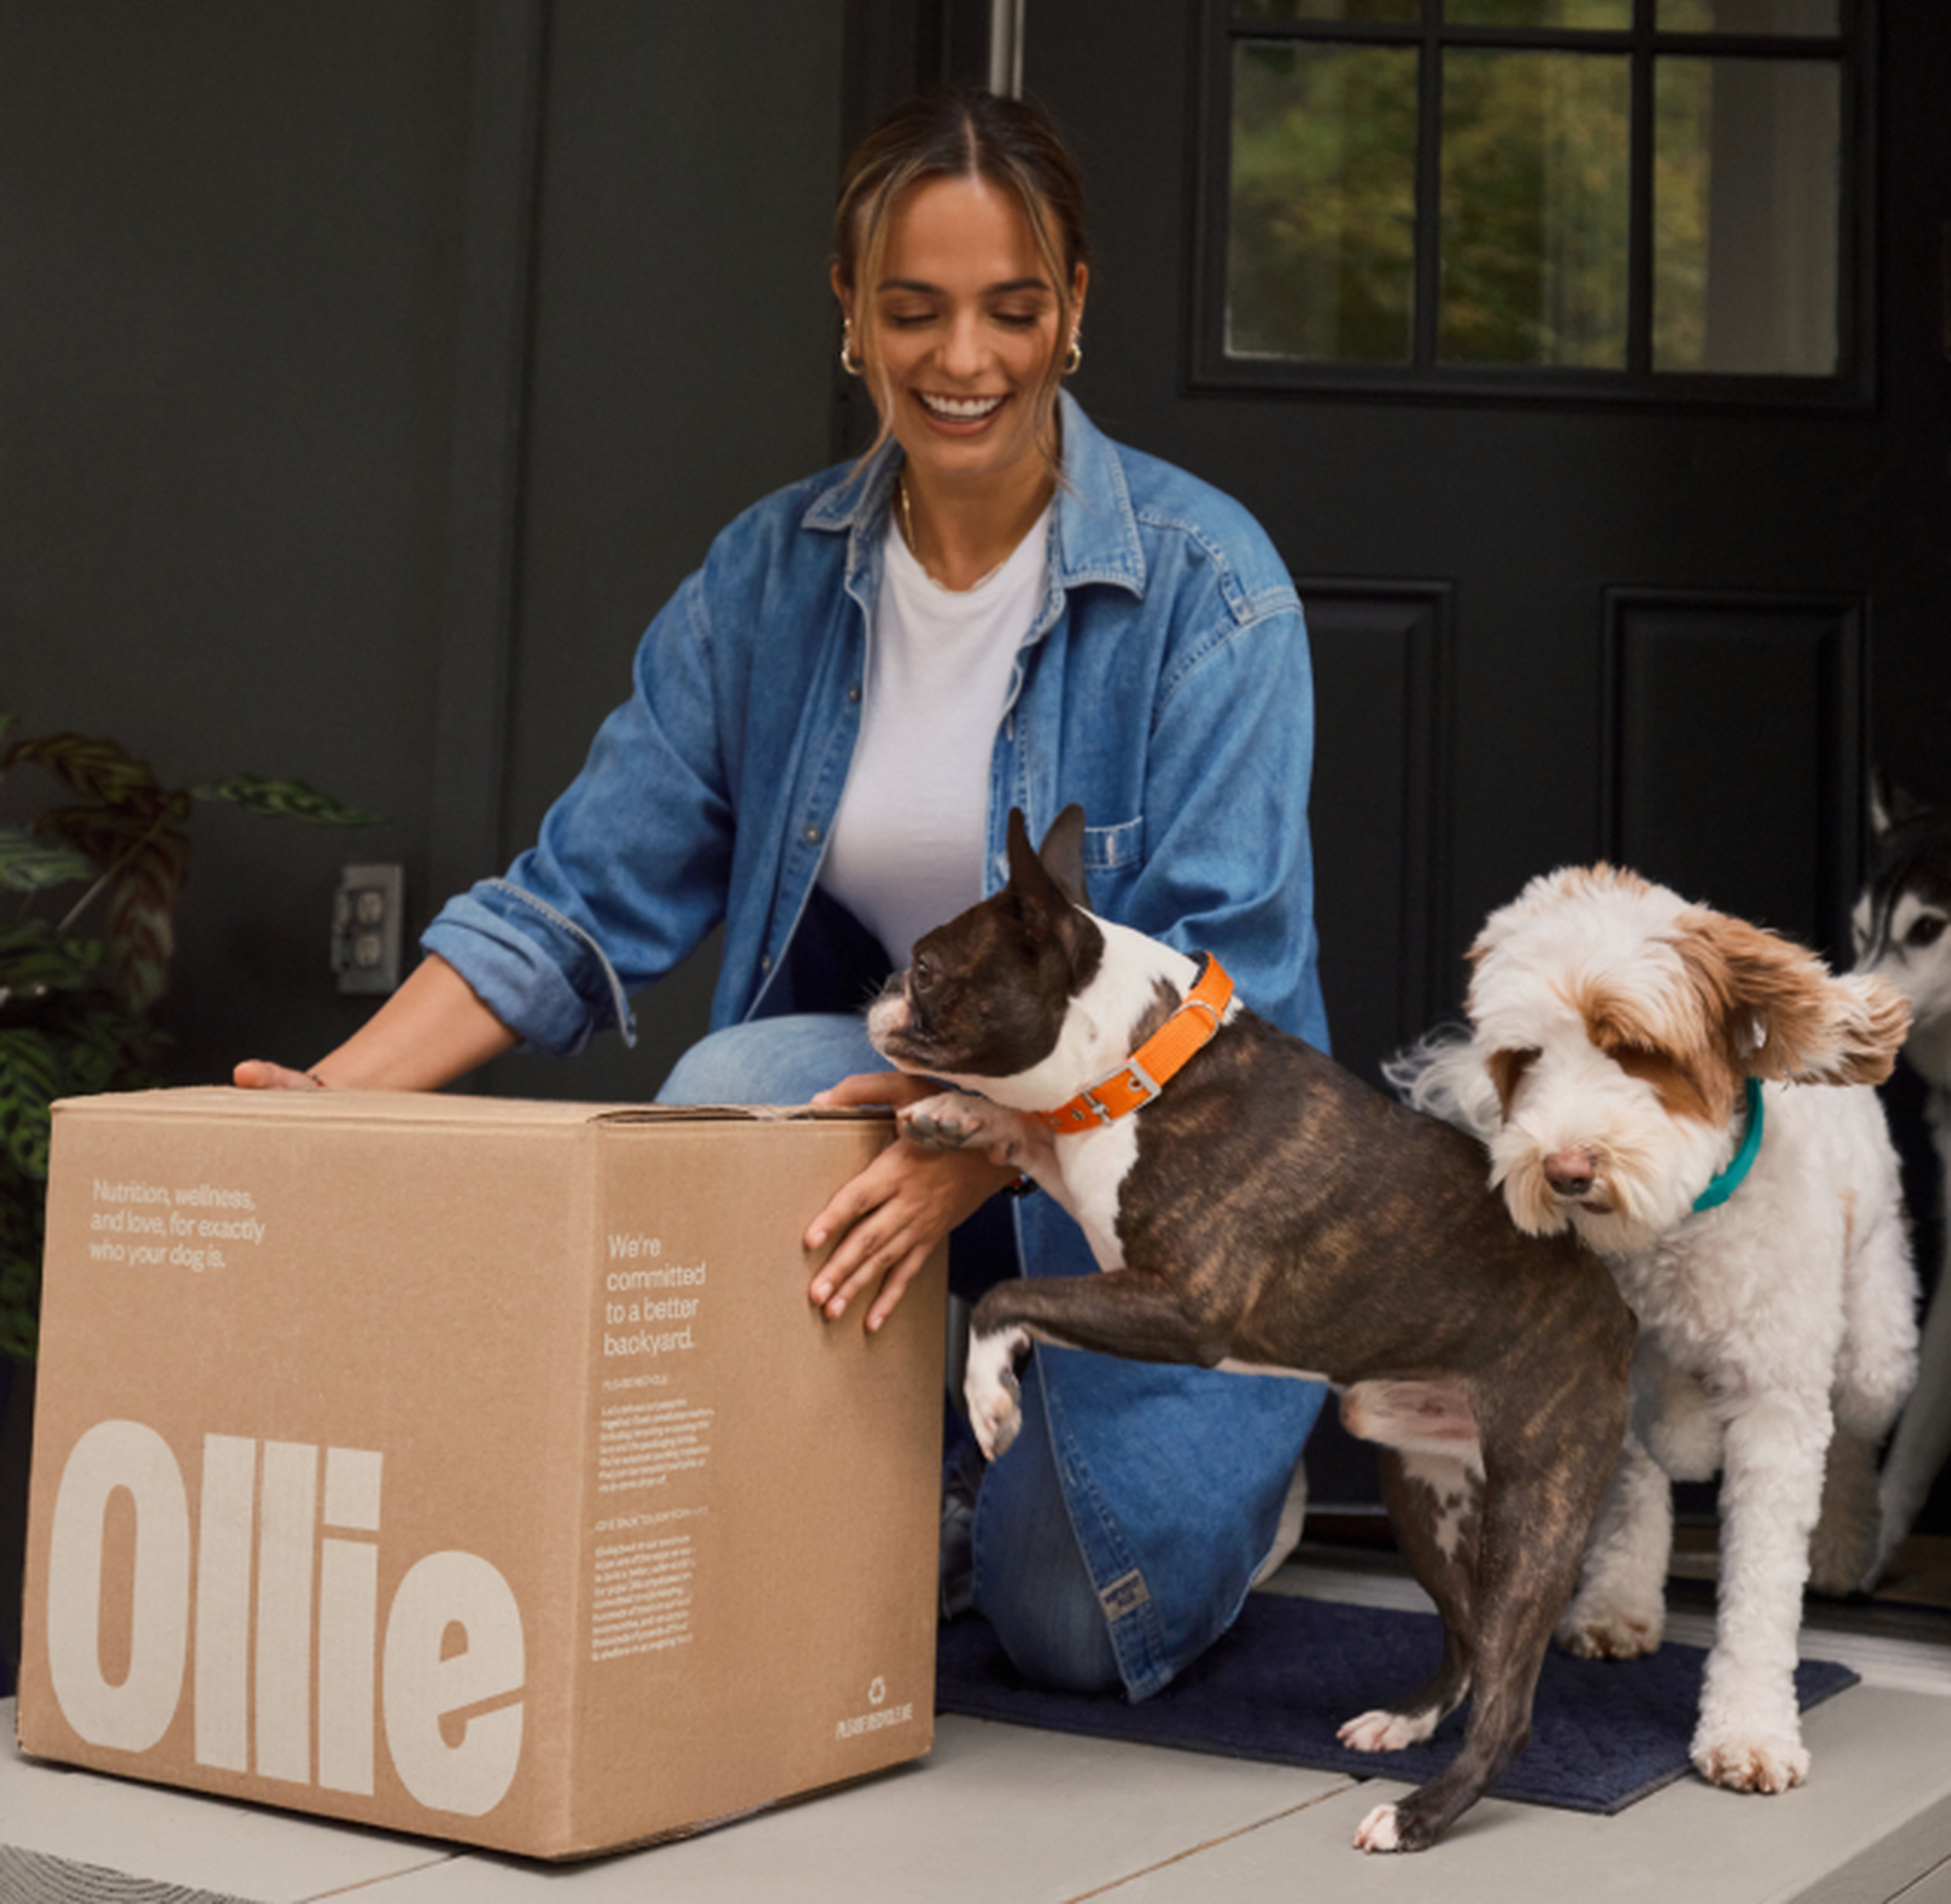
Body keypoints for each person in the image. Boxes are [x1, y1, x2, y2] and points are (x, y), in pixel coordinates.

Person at [237, 85, 1330, 1701]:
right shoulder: (769, 579)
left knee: (1071, 1621)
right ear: (851, 314)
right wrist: (321, 1114)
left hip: (1175, 1197)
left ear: (1076, 307)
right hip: (921, 1120)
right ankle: (927, 1460)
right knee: (733, 1087)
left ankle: (1230, 1484)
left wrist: (983, 1144)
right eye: (916, 311)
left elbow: (1212, 990)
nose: (964, 361)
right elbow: (575, 901)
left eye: (1011, 310)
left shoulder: (1209, 587)